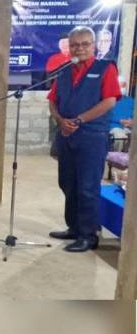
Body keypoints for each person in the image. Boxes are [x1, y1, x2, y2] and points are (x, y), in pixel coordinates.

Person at [48, 26, 122, 252]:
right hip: (66, 134)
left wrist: (78, 120)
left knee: (88, 187)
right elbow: (52, 100)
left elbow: (109, 101)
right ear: (69, 47)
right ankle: (74, 227)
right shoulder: (64, 71)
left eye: (84, 44)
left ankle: (89, 235)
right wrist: (60, 120)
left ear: (93, 46)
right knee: (68, 183)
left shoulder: (105, 68)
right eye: (75, 45)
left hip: (91, 136)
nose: (79, 48)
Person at [109, 75, 134, 151]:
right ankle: (116, 158)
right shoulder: (109, 100)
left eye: (124, 85)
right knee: (120, 137)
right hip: (114, 127)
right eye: (120, 85)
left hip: (130, 127)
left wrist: (133, 122)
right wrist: (120, 121)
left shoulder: (131, 101)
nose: (122, 87)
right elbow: (105, 115)